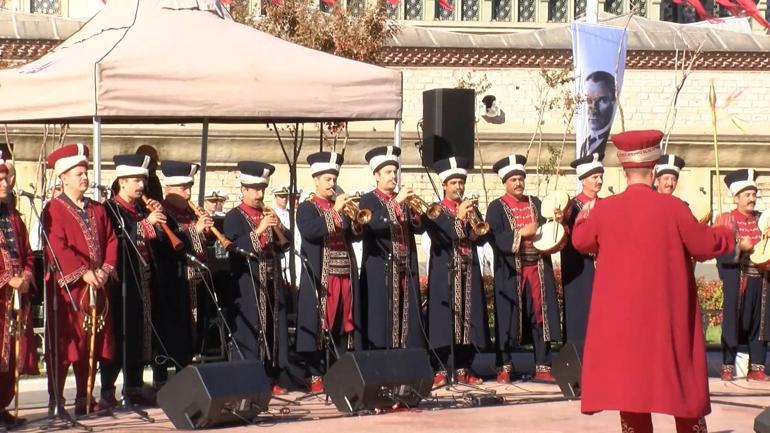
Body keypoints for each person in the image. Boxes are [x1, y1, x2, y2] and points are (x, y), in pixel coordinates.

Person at [571, 129, 736, 433]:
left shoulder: (605, 209)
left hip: (624, 322)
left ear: (624, 169)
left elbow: (580, 240)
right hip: (667, 318)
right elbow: (704, 246)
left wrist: (585, 216)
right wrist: (726, 230)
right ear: (655, 167)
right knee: (682, 387)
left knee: (632, 393)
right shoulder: (674, 208)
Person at [43, 143, 118, 415]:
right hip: (69, 291)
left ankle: (84, 397)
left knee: (92, 342)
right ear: (63, 177)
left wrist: (106, 270)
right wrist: (82, 272)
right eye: (78, 174)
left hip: (97, 286)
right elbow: (56, 245)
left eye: (85, 172)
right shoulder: (53, 209)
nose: (85, 177)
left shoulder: (98, 209)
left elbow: (111, 240)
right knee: (66, 344)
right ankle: (57, 400)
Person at [485, 154, 561, 384]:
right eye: (513, 180)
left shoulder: (536, 203)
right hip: (511, 271)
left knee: (540, 316)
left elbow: (549, 232)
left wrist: (556, 224)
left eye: (520, 178)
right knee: (506, 318)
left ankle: (542, 364)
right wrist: (521, 233)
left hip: (537, 268)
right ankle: (504, 366)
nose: (518, 183)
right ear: (505, 183)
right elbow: (495, 238)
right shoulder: (496, 207)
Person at [295, 152, 360, 393]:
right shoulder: (306, 207)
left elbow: (354, 235)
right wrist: (336, 213)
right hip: (321, 277)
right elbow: (311, 231)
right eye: (327, 179)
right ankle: (315, 374)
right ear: (316, 180)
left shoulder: (339, 207)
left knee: (343, 324)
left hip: (344, 275)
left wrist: (355, 219)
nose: (332, 184)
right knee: (319, 326)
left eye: (334, 179)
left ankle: (339, 371)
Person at [224, 161, 290, 396]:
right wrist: (260, 231)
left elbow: (285, 244)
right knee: (251, 330)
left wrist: (279, 227)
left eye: (262, 189)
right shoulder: (234, 216)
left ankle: (273, 376)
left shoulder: (267, 213)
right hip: (248, 283)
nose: (259, 194)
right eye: (254, 189)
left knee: (273, 328)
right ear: (243, 189)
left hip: (272, 282)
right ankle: (249, 379)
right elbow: (232, 247)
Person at [100, 154, 160, 408]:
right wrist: (147, 225)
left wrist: (156, 220)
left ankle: (134, 386)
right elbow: (118, 238)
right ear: (122, 182)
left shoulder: (140, 209)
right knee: (120, 333)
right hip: (120, 283)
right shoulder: (110, 209)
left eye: (142, 181)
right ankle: (107, 390)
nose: (140, 186)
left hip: (143, 281)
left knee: (139, 334)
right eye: (135, 180)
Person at [426, 156, 489, 386]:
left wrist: (474, 226)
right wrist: (460, 218)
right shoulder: (435, 211)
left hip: (468, 270)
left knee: (468, 321)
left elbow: (481, 238)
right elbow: (442, 236)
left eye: (461, 183)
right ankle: (441, 369)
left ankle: (464, 368)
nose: (458, 187)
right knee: (444, 322)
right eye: (453, 183)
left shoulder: (470, 208)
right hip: (445, 273)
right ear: (444, 185)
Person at [357, 146, 426, 351]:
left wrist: (415, 213)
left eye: (394, 172)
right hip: (381, 269)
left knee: (408, 315)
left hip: (406, 266)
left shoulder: (402, 199)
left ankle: (406, 356)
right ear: (376, 175)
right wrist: (397, 203)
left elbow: (419, 228)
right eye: (387, 172)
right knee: (382, 316)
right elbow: (375, 224)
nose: (393, 176)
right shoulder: (368, 199)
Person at [717, 168, 770, 382]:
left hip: (763, 280)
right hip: (739, 279)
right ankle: (728, 365)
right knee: (733, 321)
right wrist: (740, 248)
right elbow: (719, 249)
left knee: (761, 323)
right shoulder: (726, 220)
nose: (752, 199)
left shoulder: (763, 219)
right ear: (736, 197)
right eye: (747, 195)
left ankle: (756, 367)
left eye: (754, 194)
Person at [159, 161, 212, 361]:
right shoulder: (163, 213)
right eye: (183, 189)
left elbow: (202, 242)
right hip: (178, 282)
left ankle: (198, 358)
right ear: (169, 189)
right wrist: (195, 231)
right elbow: (168, 246)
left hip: (199, 280)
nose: (188, 194)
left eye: (189, 188)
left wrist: (208, 232)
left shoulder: (189, 212)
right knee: (180, 329)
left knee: (200, 327)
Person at [0, 153, 38, 426]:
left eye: (5, 178)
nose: (4, 183)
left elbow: (27, 252)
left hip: (14, 297)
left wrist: (25, 275)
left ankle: (2, 405)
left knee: (11, 354)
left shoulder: (14, 216)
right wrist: (5, 277)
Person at [560, 153, 604, 345]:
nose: (599, 181)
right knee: (580, 310)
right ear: (584, 179)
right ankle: (578, 356)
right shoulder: (570, 206)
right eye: (595, 177)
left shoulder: (605, 205)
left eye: (601, 176)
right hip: (579, 268)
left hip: (602, 267)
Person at [579, 71, 616, 158]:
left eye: (602, 100)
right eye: (588, 100)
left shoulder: (613, 146)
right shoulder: (585, 143)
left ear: (613, 102)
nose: (593, 108)